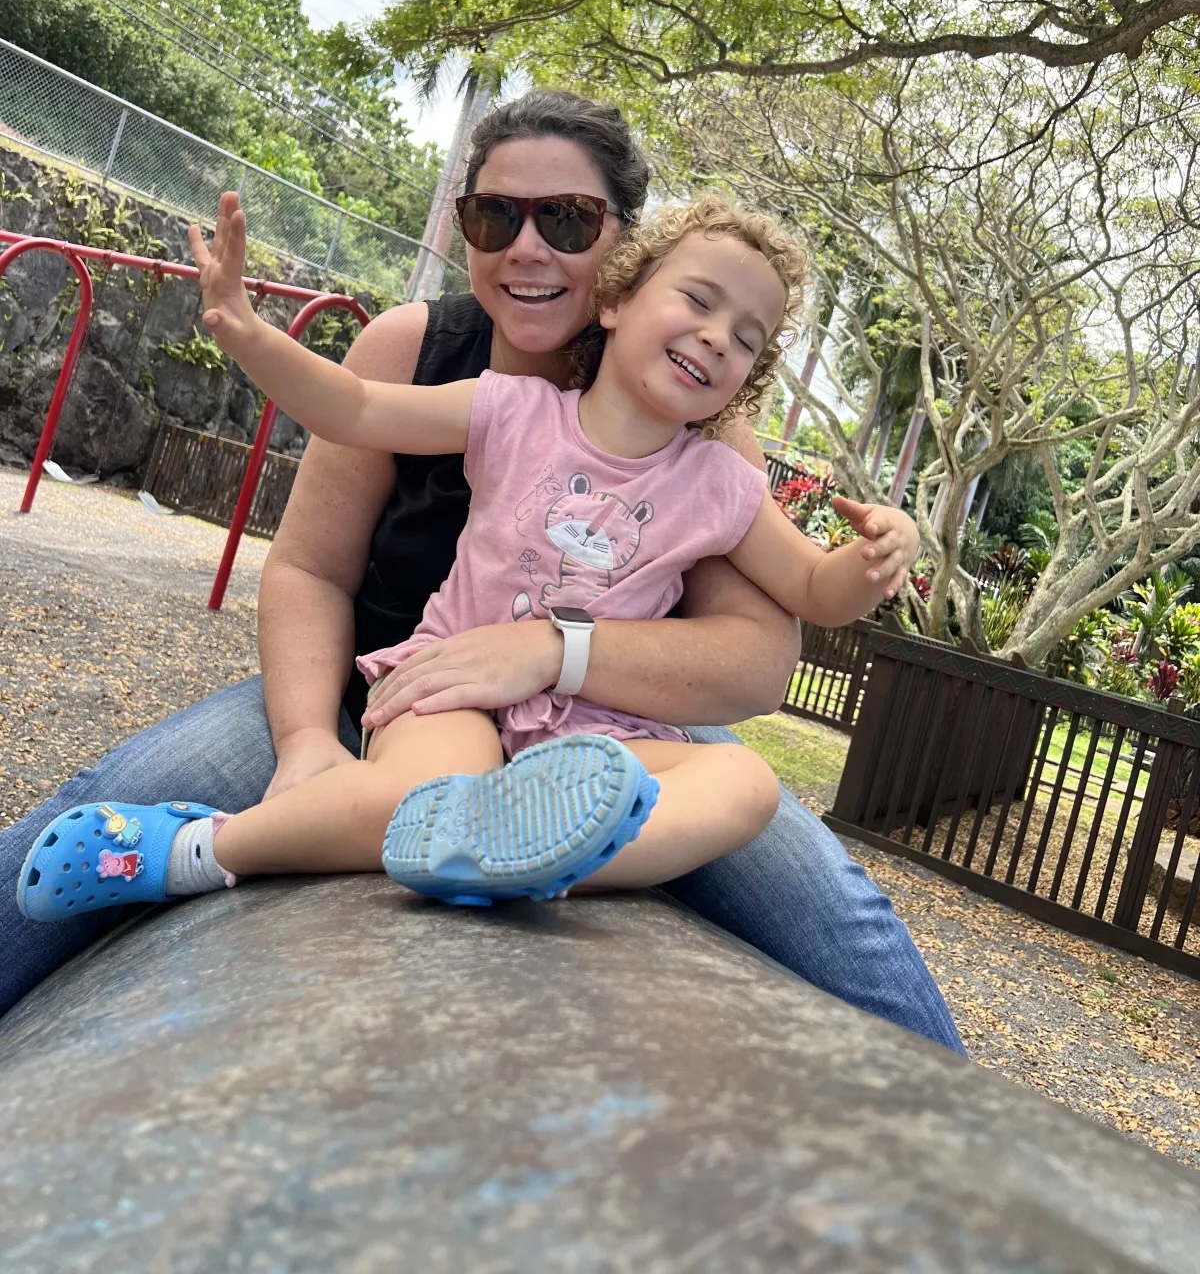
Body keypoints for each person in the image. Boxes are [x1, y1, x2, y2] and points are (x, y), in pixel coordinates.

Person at [0, 91, 964, 1051]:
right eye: (495, 215)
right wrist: (303, 742)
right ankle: (194, 849)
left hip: (601, 729)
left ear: (620, 245)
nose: (528, 247)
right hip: (401, 687)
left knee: (822, 895)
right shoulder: (462, 378)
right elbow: (311, 553)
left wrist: (552, 650)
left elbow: (758, 662)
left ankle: (961, 1152)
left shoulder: (707, 444)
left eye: (569, 219)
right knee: (102, 805)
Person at [18, 192, 918, 911]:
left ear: (743, 380)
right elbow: (359, 410)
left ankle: (536, 861)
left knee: (742, 781)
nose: (720, 336)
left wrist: (876, 557)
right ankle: (194, 848)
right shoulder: (511, 411)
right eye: (699, 301)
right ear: (614, 300)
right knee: (419, 799)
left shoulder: (720, 483)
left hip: (597, 736)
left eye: (749, 338)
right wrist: (245, 330)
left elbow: (814, 587)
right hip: (450, 687)